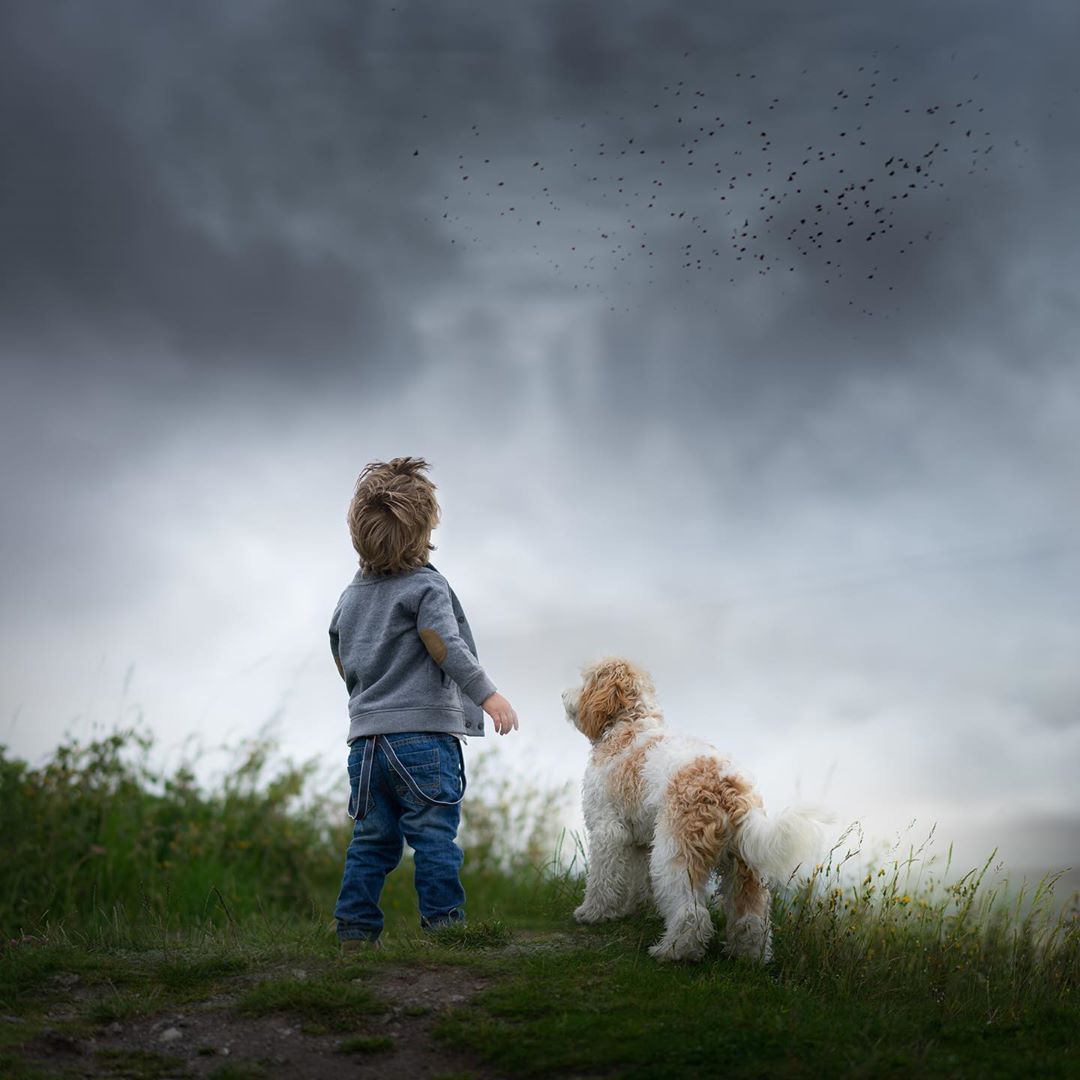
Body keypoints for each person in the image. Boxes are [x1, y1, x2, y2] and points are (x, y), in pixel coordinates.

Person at [329, 457, 518, 947]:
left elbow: (340, 651)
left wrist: (367, 700)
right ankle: (444, 930)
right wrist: (487, 694)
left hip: (365, 743)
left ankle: (354, 931)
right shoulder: (425, 586)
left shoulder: (350, 597)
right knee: (434, 837)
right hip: (422, 740)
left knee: (371, 842)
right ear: (423, 531)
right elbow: (442, 644)